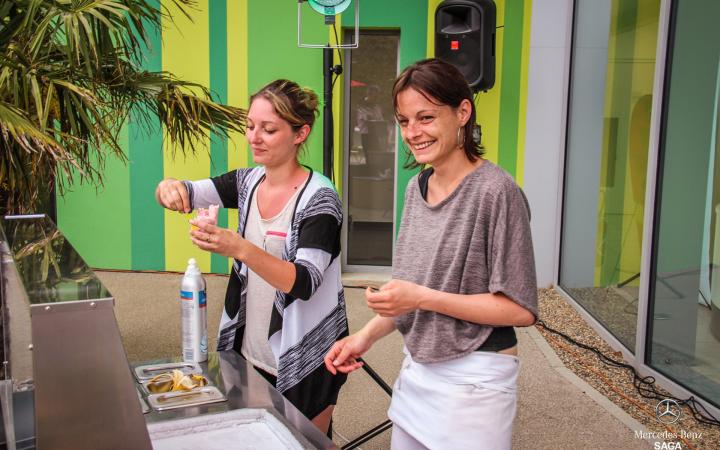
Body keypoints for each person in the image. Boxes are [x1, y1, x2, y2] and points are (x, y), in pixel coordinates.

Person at [324, 59, 538, 450]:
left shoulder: (497, 192)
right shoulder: (414, 188)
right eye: (404, 121)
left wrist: (420, 297)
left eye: (425, 117)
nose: (412, 132)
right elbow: (411, 293)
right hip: (417, 373)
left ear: (463, 112)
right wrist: (364, 337)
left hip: (477, 380)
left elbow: (519, 309)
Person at [156, 79, 348, 435]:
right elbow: (189, 190)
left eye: (269, 129)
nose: (254, 137)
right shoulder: (247, 183)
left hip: (307, 356)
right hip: (249, 350)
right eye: (250, 126)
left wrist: (239, 247)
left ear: (300, 133)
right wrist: (168, 187)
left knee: (305, 443)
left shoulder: (320, 200)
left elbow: (303, 282)